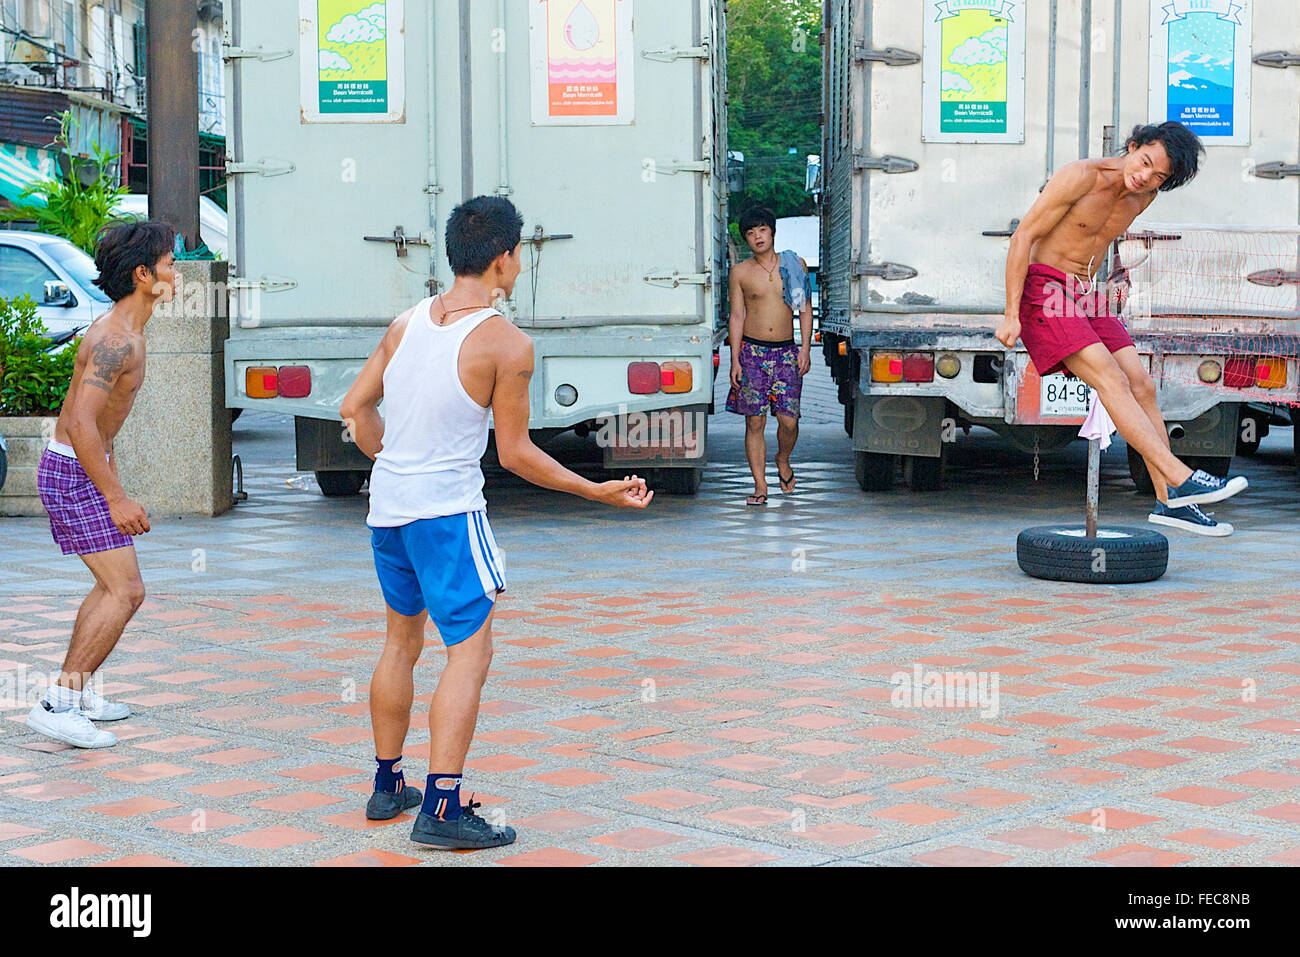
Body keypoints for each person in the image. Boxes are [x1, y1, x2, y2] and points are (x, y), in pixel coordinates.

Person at [340, 196, 653, 851]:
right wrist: (595, 490)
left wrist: (394, 460)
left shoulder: (405, 324)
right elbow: (515, 452)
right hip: (447, 516)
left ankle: (387, 784)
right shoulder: (508, 344)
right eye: (520, 254)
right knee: (471, 653)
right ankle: (444, 809)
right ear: (504, 258)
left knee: (401, 643)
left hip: (389, 510)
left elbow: (353, 406)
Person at [995, 122, 1247, 536]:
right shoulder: (1081, 176)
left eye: (1159, 176)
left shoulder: (1143, 196)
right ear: (1132, 146)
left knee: (1142, 385)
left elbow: (1096, 241)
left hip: (1086, 294)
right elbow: (1023, 236)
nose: (1146, 176)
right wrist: (1010, 313)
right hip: (1044, 290)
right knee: (1110, 379)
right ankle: (1180, 478)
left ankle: (1172, 505)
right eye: (1145, 161)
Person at [25, 221, 176, 748]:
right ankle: (57, 703)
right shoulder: (117, 341)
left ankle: (78, 689)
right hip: (74, 473)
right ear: (143, 274)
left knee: (110, 585)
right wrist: (115, 495)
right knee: (126, 589)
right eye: (168, 264)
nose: (175, 274)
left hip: (78, 468)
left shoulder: (126, 329)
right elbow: (83, 422)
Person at [727, 207, 813, 506]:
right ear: (746, 241)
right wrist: (735, 359)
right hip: (752, 352)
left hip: (786, 353)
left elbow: (803, 308)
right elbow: (736, 316)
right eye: (750, 234)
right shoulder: (740, 272)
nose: (757, 237)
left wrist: (805, 349)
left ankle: (783, 458)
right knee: (755, 423)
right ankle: (760, 486)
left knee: (788, 422)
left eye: (761, 230)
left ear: (772, 232)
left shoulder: (793, 264)